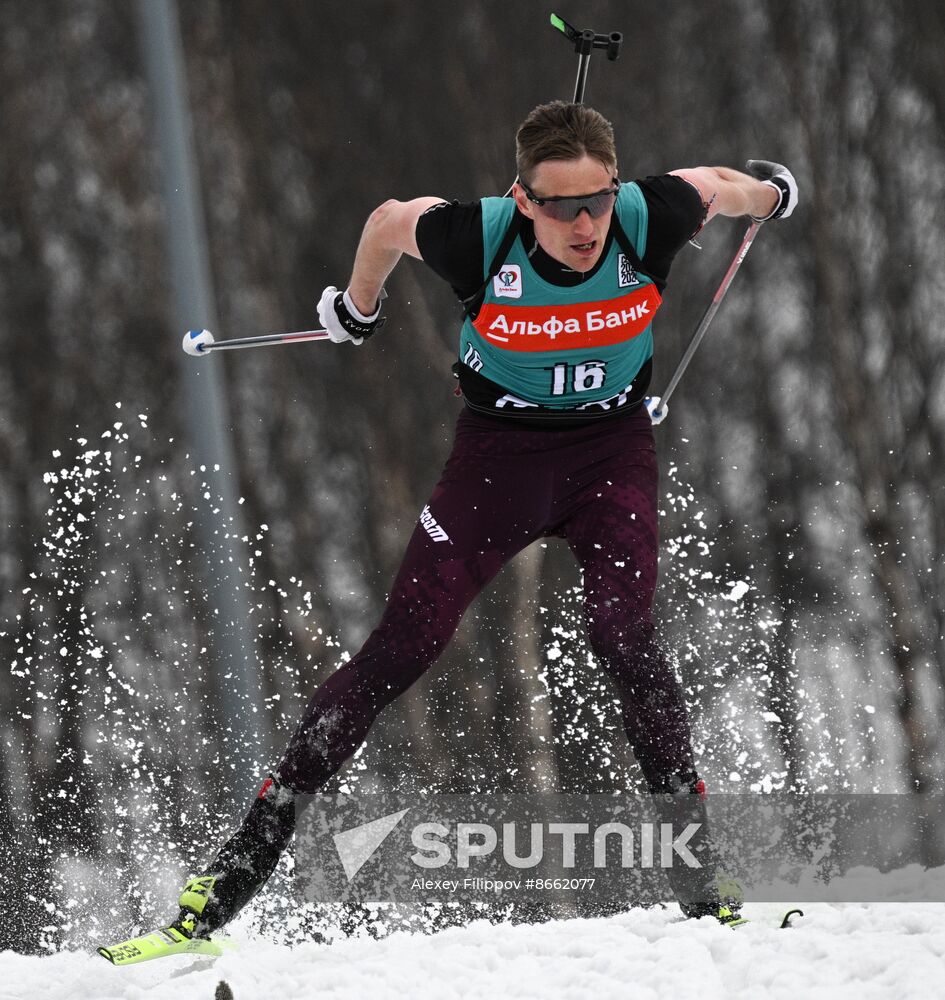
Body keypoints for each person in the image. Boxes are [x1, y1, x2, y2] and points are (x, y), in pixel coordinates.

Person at [172, 101, 798, 936]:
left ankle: (697, 872)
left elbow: (721, 187)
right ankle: (237, 868)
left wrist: (772, 195)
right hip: (497, 461)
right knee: (402, 648)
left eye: (597, 201)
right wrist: (357, 307)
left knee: (622, 637)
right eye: (561, 205)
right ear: (522, 199)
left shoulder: (649, 215)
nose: (584, 224)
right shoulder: (479, 237)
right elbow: (390, 222)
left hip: (608, 456)